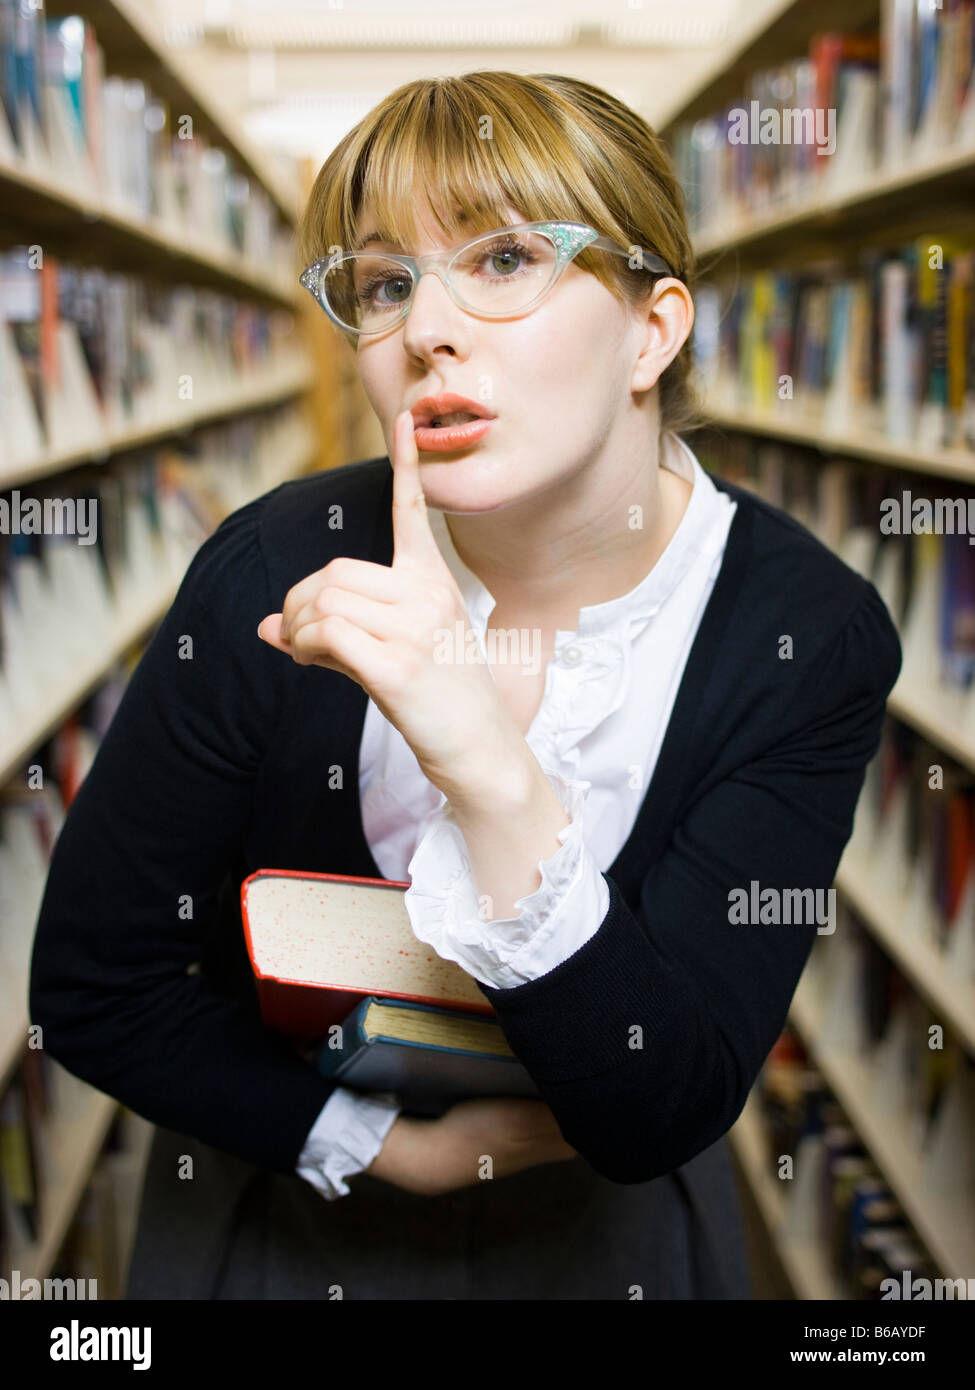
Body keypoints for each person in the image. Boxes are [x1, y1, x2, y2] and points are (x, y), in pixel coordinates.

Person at [29, 71, 901, 1300]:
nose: (425, 326)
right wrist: (380, 1146)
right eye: (386, 283)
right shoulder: (276, 566)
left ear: (654, 330)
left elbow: (670, 1094)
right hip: (289, 1222)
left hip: (606, 1243)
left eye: (502, 260)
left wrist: (480, 761)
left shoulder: (803, 630)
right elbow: (91, 986)